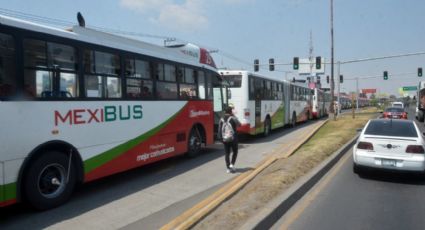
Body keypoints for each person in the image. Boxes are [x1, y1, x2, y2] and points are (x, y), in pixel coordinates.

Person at [218, 105, 241, 173]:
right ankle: (231, 165)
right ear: (231, 111)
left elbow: (219, 130)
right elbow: (239, 125)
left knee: (227, 153)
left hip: (224, 139)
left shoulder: (221, 119)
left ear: (225, 112)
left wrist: (221, 138)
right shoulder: (233, 118)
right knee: (235, 152)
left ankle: (228, 168)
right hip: (233, 139)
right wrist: (234, 116)